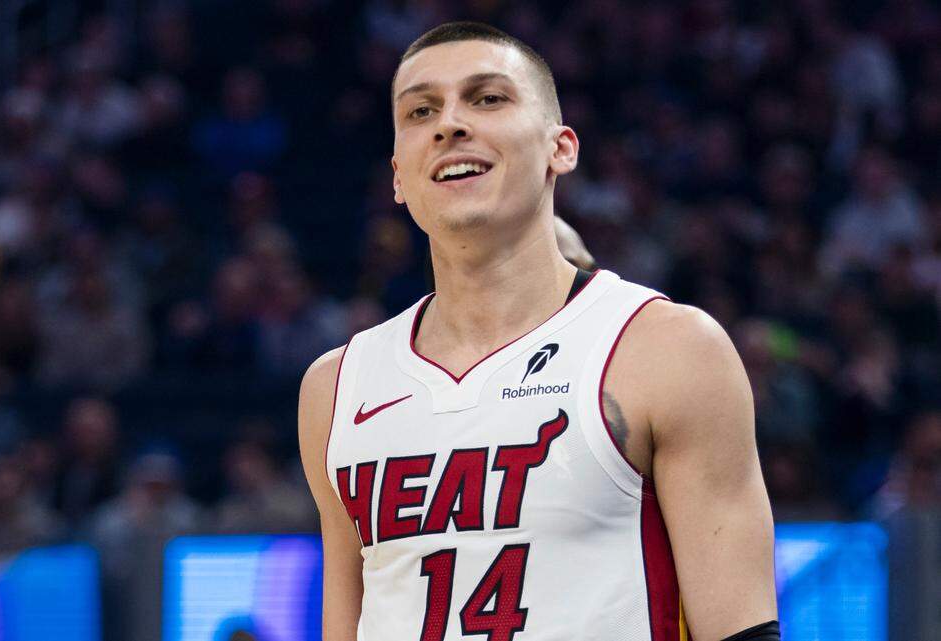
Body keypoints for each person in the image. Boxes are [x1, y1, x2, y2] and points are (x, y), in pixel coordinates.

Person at [298, 22, 778, 641]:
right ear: (397, 175)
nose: (449, 124)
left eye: (487, 98)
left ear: (562, 148)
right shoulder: (335, 385)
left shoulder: (667, 350)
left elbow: (741, 631)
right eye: (421, 110)